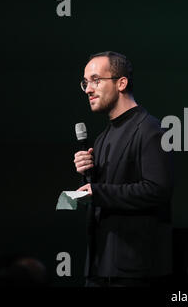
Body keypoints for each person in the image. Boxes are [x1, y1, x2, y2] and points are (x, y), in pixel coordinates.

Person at [74, 51, 174, 287]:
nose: (88, 89)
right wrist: (85, 179)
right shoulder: (101, 138)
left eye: (96, 80)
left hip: (133, 271)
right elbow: (99, 195)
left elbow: (157, 189)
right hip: (99, 267)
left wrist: (97, 192)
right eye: (85, 82)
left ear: (121, 82)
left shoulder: (150, 129)